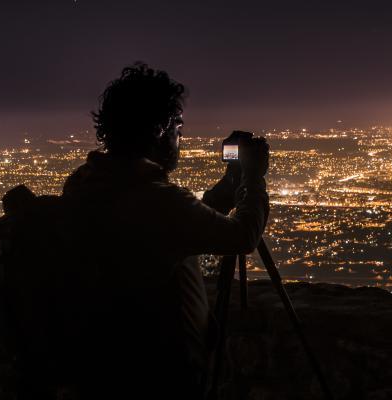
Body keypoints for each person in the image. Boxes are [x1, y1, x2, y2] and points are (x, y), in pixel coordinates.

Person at [56, 62, 269, 398]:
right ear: (160, 130)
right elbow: (242, 236)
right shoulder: (156, 199)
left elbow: (172, 229)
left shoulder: (86, 185)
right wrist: (253, 178)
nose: (180, 140)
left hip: (104, 361)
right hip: (161, 370)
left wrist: (227, 190)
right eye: (178, 130)